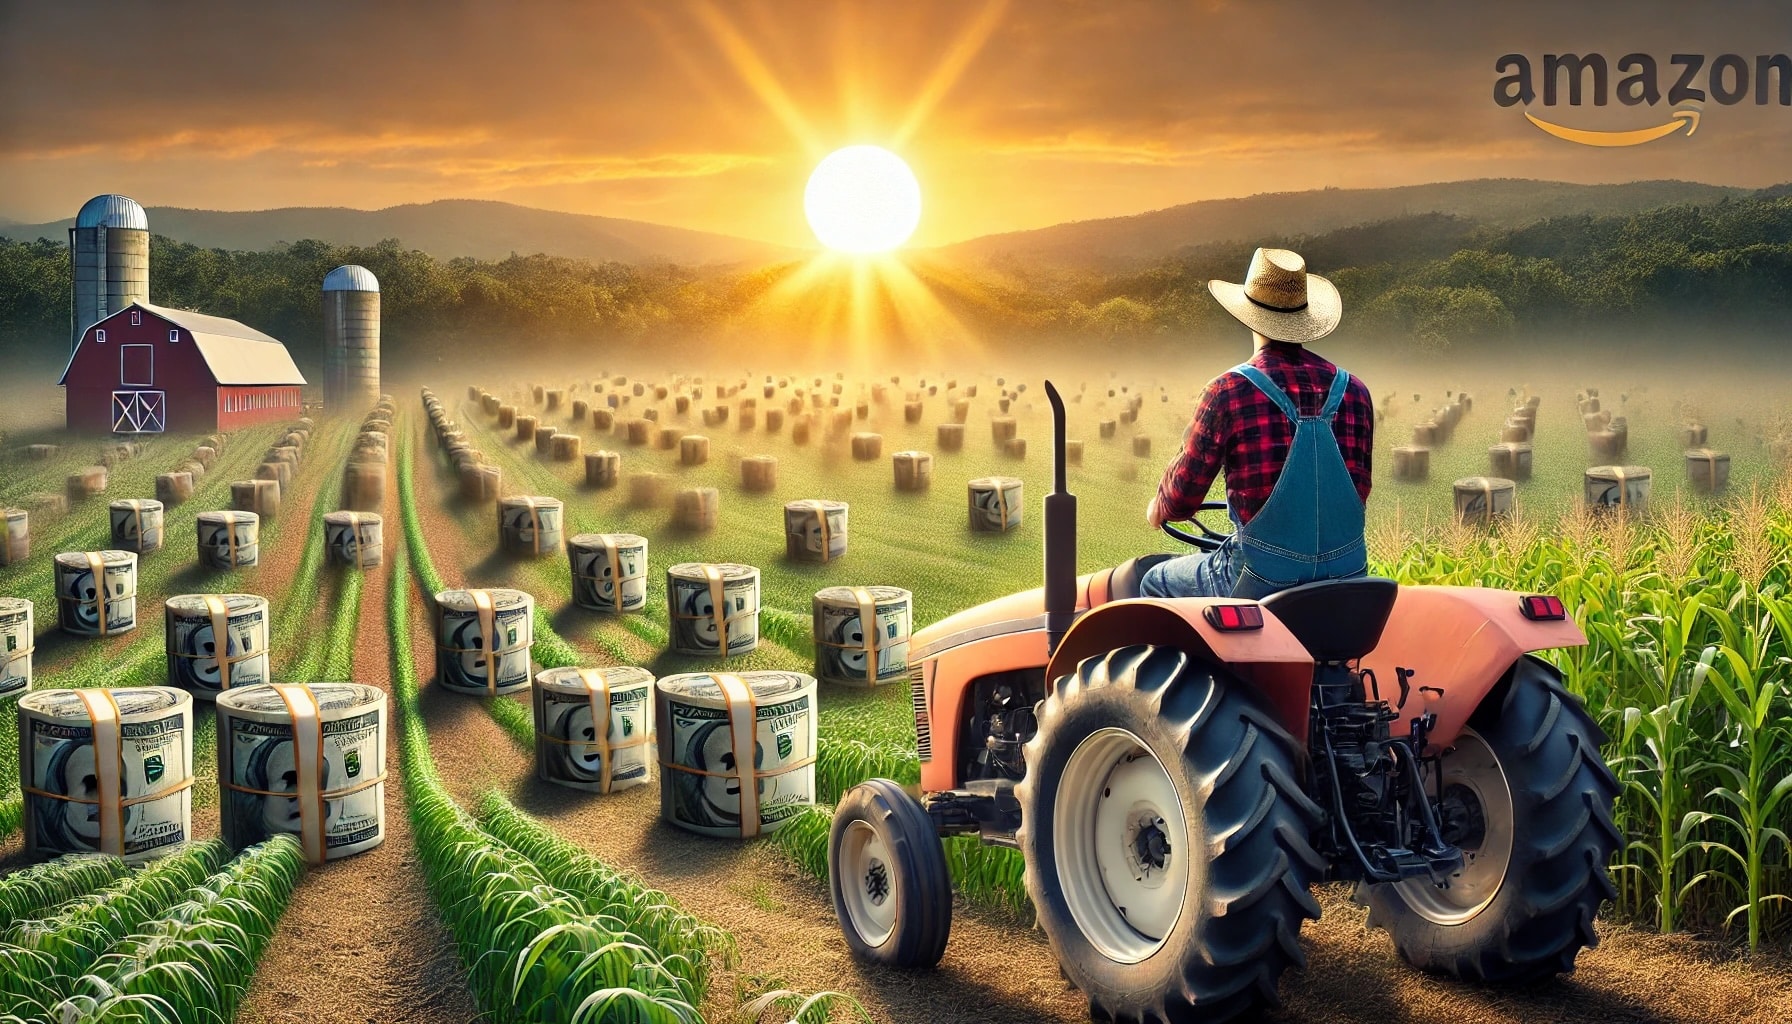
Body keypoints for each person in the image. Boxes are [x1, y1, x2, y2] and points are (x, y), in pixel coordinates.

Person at [1141, 247, 1373, 599]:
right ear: (1305, 320)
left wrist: (1161, 505)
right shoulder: (1355, 391)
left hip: (1262, 582)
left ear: (1247, 316)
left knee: (1153, 580)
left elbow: (1183, 498)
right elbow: (1358, 493)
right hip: (1349, 579)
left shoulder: (1227, 391)